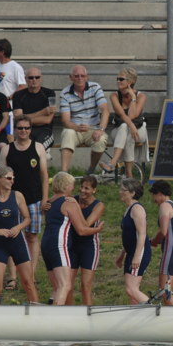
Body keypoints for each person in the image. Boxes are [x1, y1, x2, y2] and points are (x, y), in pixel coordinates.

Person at [0, 115, 50, 281]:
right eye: (20, 128)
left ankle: (31, 274)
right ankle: (13, 276)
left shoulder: (39, 148)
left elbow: (44, 175)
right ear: (15, 130)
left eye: (26, 128)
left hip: (34, 199)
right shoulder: (7, 149)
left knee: (32, 237)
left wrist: (45, 199)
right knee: (11, 236)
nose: (23, 131)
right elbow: (0, 176)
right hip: (12, 200)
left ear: (30, 130)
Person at [41, 171, 103, 305]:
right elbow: (82, 229)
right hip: (61, 245)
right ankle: (58, 317)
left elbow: (47, 211)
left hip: (47, 244)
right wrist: (98, 229)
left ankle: (67, 314)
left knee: (61, 286)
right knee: (65, 285)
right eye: (75, 185)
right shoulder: (70, 202)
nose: (77, 189)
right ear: (67, 185)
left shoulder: (52, 200)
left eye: (86, 188)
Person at [0, 166, 39, 305]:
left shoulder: (17, 195)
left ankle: (37, 316)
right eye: (9, 178)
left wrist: (18, 227)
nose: (12, 181)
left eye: (13, 178)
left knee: (28, 283)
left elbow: (27, 218)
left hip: (18, 242)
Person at [58, 65, 110, 174]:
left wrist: (100, 129)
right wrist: (76, 127)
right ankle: (64, 173)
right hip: (74, 128)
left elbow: (105, 110)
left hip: (93, 128)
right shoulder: (65, 93)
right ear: (71, 77)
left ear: (87, 77)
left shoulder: (95, 88)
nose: (80, 78)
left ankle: (91, 170)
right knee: (67, 133)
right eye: (76, 76)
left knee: (100, 139)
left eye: (82, 75)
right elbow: (65, 120)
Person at [101, 67, 147, 178]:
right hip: (119, 131)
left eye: (121, 79)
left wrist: (133, 99)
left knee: (127, 131)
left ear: (130, 82)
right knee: (124, 127)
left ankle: (112, 163)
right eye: (117, 79)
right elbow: (121, 114)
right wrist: (131, 125)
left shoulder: (141, 96)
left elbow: (133, 115)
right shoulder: (114, 96)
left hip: (139, 130)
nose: (118, 81)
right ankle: (128, 174)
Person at [149, 180, 173, 306]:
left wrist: (153, 241)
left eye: (153, 195)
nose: (154, 200)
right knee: (168, 291)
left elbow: (163, 231)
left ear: (159, 193)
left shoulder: (164, 206)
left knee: (164, 292)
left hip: (171, 250)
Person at [71, 175, 105, 306]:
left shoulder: (99, 205)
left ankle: (88, 314)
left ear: (94, 190)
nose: (83, 191)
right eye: (82, 187)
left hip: (89, 247)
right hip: (71, 245)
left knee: (85, 285)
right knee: (68, 284)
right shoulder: (73, 200)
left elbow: (86, 225)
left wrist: (75, 209)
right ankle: (69, 313)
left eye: (87, 188)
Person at [116, 178, 151, 305]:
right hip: (131, 253)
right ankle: (136, 319)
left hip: (138, 253)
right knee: (131, 293)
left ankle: (155, 311)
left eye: (122, 190)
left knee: (131, 289)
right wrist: (122, 255)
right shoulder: (129, 209)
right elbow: (130, 235)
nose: (120, 192)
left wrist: (136, 257)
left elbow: (142, 234)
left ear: (132, 193)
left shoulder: (137, 209)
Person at [10, 66, 55, 149]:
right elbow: (19, 119)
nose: (34, 80)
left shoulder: (49, 93)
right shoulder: (18, 95)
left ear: (41, 78)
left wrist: (25, 118)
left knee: (37, 148)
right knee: (22, 147)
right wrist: (43, 112)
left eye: (37, 77)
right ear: (25, 79)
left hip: (45, 130)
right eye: (31, 78)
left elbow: (48, 120)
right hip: (24, 130)